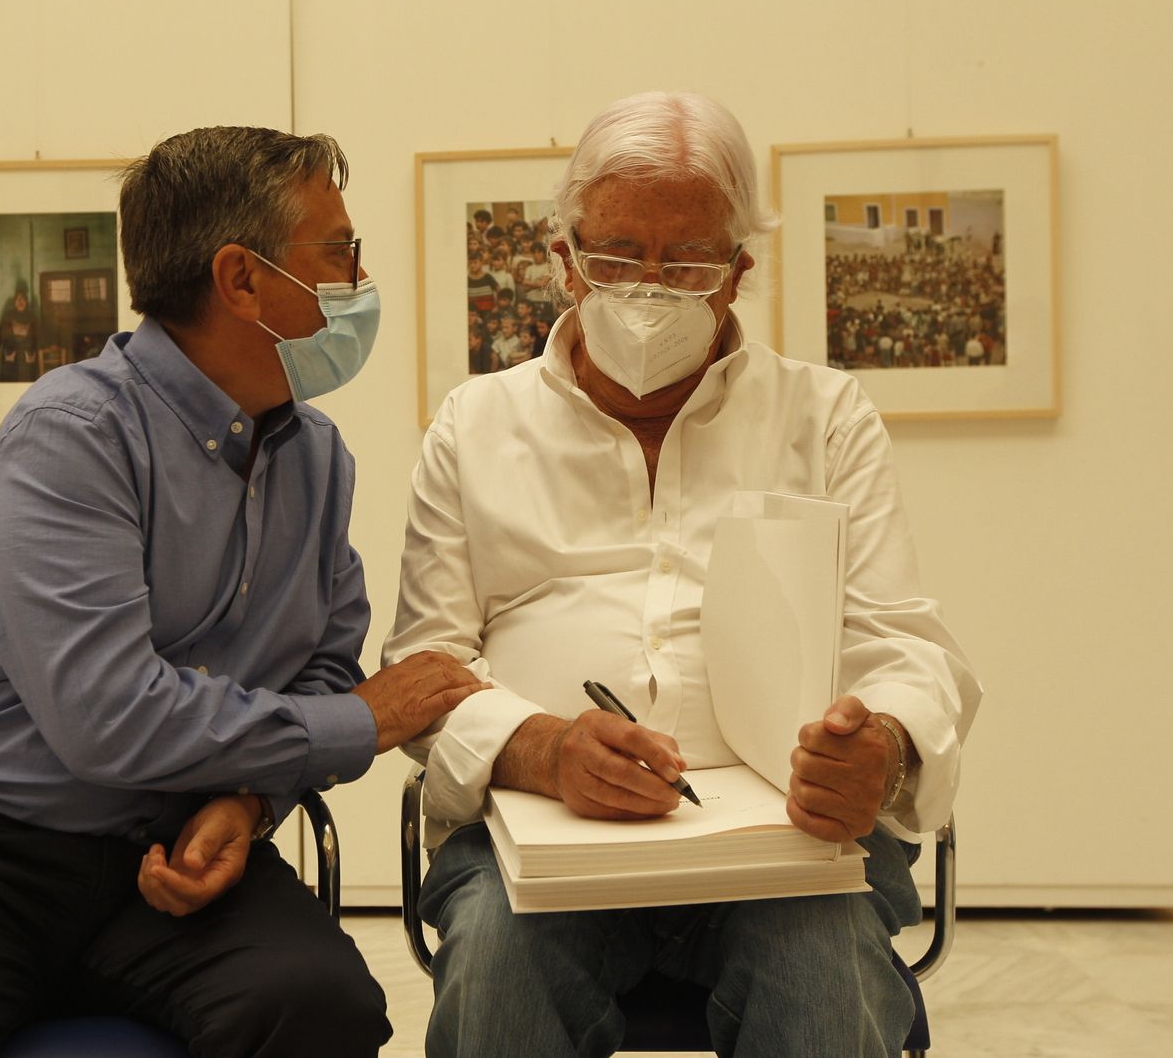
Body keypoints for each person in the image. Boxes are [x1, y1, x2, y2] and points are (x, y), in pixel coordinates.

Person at [0, 125, 486, 1058]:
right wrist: (365, 720)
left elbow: (322, 663)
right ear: (242, 279)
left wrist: (250, 801)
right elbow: (110, 715)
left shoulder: (319, 460)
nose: (355, 278)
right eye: (337, 252)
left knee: (322, 1007)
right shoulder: (72, 434)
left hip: (177, 859)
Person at [384, 91, 981, 1058]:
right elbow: (422, 666)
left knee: (822, 967)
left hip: (789, 848)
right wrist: (538, 747)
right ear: (562, 256)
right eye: (617, 257)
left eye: (689, 263)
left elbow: (905, 644)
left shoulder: (822, 416)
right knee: (496, 962)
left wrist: (884, 742)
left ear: (739, 272)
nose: (649, 290)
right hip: (535, 840)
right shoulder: (476, 425)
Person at [0, 288, 40, 380]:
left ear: (26, 301)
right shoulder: (8, 315)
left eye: (23, 299)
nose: (20, 301)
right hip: (10, 354)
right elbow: (0, 334)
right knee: (9, 379)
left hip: (27, 356)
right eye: (17, 299)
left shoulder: (32, 316)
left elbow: (39, 335)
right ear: (14, 302)